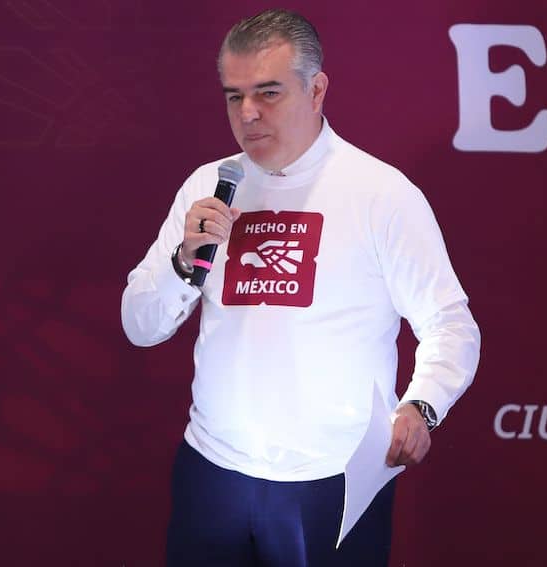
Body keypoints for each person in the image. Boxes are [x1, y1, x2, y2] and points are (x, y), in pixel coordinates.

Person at [121, 9, 480, 566]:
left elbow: (449, 323)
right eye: (233, 95)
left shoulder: (379, 193)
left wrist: (421, 406)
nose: (248, 114)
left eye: (268, 92)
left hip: (330, 481)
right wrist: (182, 259)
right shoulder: (209, 186)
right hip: (213, 471)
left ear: (316, 91)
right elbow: (139, 325)